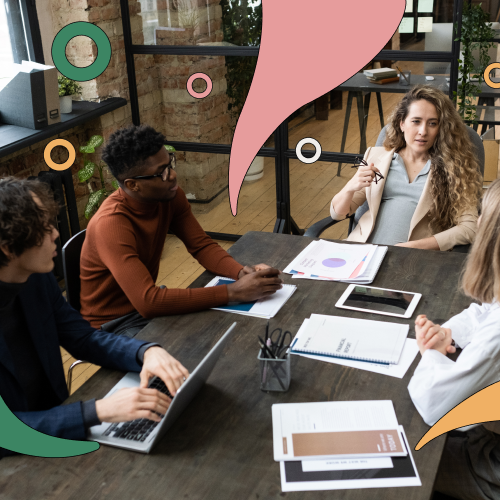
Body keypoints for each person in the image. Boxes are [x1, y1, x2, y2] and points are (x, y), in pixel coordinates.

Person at [0, 177, 190, 458]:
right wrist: (99, 410)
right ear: (7, 247)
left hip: (59, 431)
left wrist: (145, 352)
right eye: (44, 227)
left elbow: (83, 336)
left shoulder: (36, 278)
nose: (56, 234)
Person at [80, 124, 282, 336]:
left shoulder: (169, 196)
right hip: (111, 326)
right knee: (193, 350)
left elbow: (201, 245)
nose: (173, 175)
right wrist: (233, 292)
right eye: (162, 173)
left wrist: (240, 272)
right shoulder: (111, 225)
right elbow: (148, 302)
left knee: (227, 332)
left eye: (170, 164)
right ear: (132, 185)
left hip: (144, 310)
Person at [408, 178, 500, 499]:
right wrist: (449, 334)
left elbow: (437, 406)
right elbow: (484, 312)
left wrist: (429, 353)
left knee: (399, 459)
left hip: (493, 466)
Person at [330, 85, 482, 251]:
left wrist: (414, 247)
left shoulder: (453, 168)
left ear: (441, 129)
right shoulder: (375, 157)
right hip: (363, 252)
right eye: (416, 121)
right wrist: (351, 187)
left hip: (414, 260)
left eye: (432, 123)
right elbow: (338, 213)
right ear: (401, 123)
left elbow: (469, 228)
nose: (423, 131)